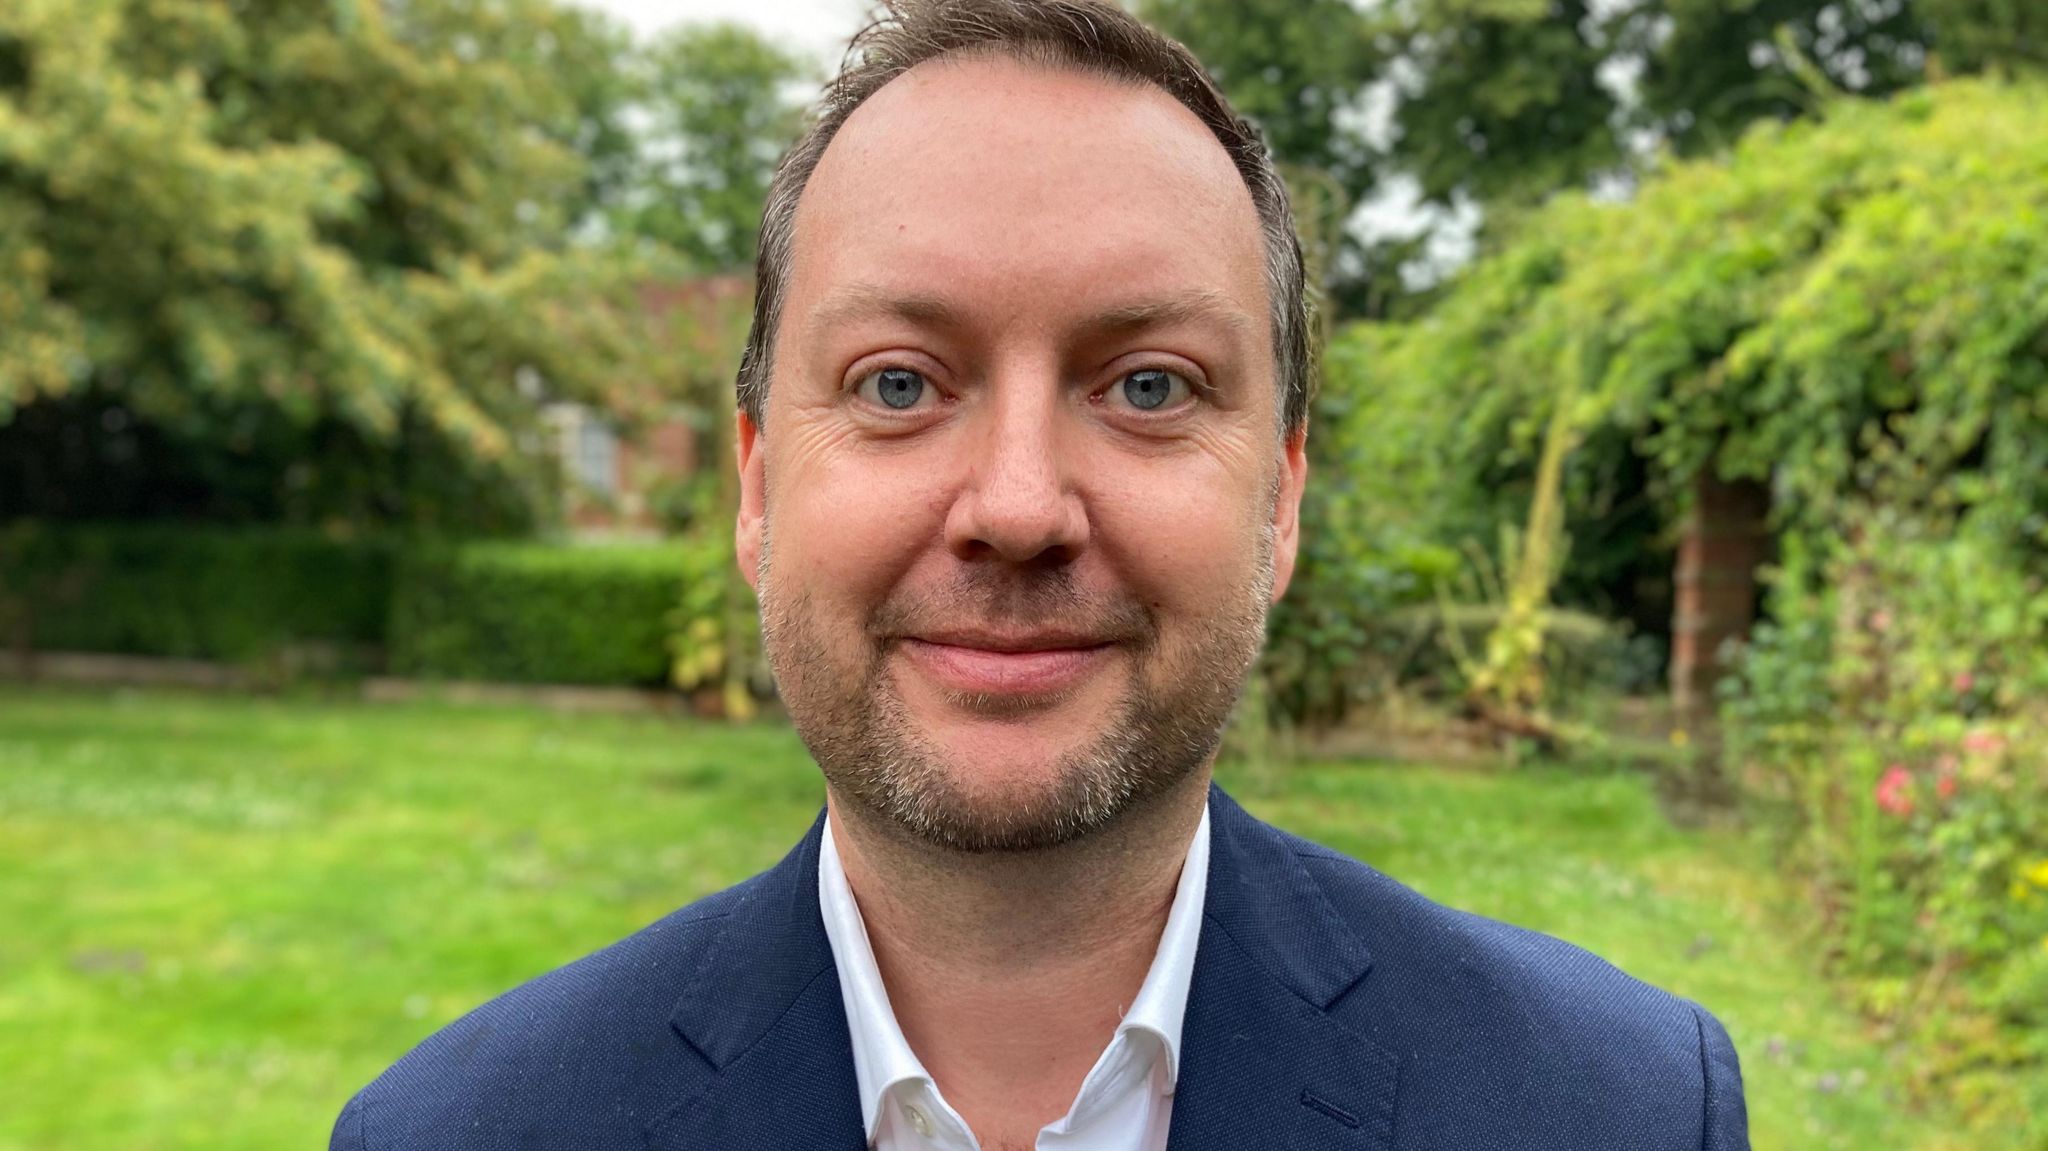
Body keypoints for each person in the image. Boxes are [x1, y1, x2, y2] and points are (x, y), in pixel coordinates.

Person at [331, 1, 1750, 1147]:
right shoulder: (457, 1131)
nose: (1017, 508)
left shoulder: (1619, 1109)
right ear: (758, 488)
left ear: (1283, 501)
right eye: (899, 381)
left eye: (1146, 383)